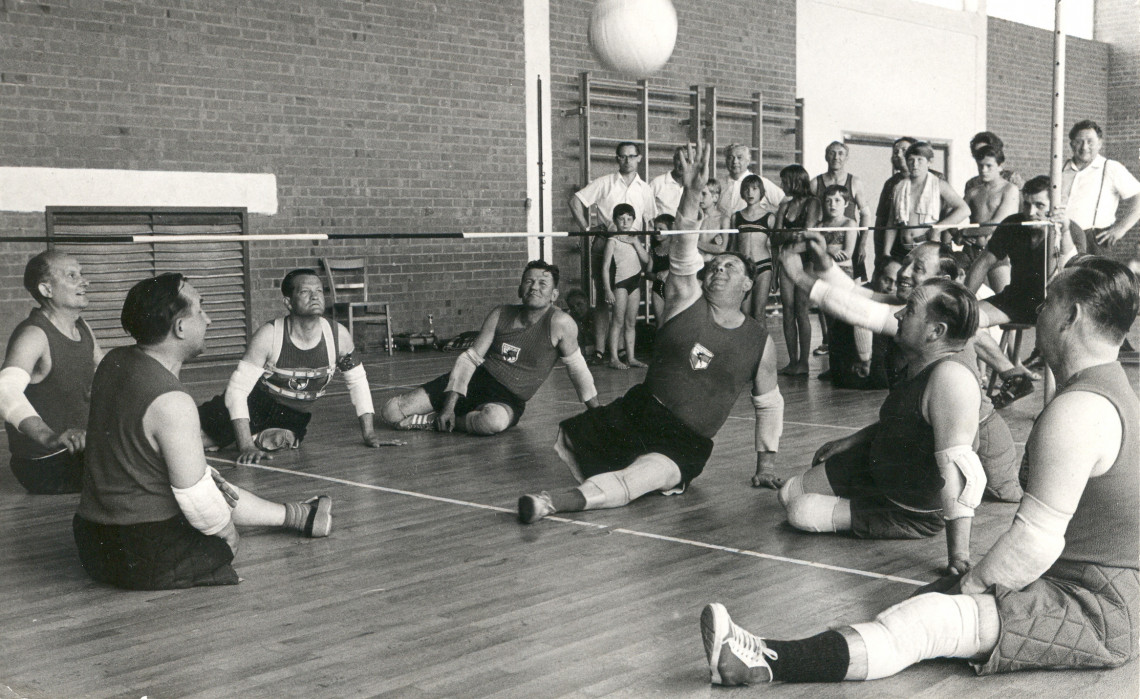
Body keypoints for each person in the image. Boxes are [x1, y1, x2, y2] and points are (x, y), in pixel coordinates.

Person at [699, 256, 1139, 687]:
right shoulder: (1109, 390)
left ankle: (765, 660)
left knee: (927, 621)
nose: (1038, 311)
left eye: (1047, 303)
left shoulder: (1079, 411)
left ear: (1072, 316)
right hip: (1092, 586)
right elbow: (871, 306)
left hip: (1099, 608)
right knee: (926, 603)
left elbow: (1035, 543)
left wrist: (969, 585)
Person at [517, 141, 786, 525]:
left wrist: (765, 463)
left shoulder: (760, 342)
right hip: (639, 413)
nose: (717, 270)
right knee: (578, 447)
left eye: (729, 267)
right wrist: (691, 198)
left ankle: (554, 502)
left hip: (685, 443)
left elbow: (770, 403)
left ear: (748, 285)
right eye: (714, 266)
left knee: (645, 476)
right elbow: (682, 249)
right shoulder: (684, 298)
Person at [73, 273, 333, 591]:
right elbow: (197, 499)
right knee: (209, 507)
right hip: (144, 553)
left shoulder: (114, 361)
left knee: (211, 483)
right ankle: (296, 516)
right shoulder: (172, 402)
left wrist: (203, 477)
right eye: (200, 310)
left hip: (92, 544)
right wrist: (227, 536)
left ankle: (300, 515)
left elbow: (139, 451)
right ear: (180, 328)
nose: (208, 320)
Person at [783, 236, 1024, 501]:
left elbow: (861, 311)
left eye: (918, 268)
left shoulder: (927, 321)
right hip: (931, 437)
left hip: (986, 449)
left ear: (941, 281)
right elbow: (858, 294)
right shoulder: (913, 310)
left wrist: (797, 275)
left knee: (1000, 498)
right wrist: (824, 263)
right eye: (906, 262)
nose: (904, 272)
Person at [777, 278, 985, 573]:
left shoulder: (951, 378)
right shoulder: (917, 357)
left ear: (936, 332)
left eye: (910, 310)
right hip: (880, 468)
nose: (899, 315)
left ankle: (880, 516)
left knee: (801, 512)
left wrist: (959, 557)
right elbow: (903, 420)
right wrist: (853, 440)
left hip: (907, 509)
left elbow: (959, 469)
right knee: (787, 493)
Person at [197, 269, 393, 465]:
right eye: (305, 291)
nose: (315, 296)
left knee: (281, 440)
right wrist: (246, 445)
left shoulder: (338, 336)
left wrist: (369, 434)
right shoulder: (268, 336)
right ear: (288, 302)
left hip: (291, 417)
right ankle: (237, 437)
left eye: (319, 291)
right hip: (254, 403)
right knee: (192, 438)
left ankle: (246, 437)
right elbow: (237, 391)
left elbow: (357, 382)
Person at [382, 260, 601, 434]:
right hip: (476, 380)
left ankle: (433, 421)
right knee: (391, 412)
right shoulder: (500, 314)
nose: (534, 287)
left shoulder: (561, 324)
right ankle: (445, 414)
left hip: (508, 399)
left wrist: (598, 414)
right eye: (528, 282)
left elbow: (578, 371)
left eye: (542, 284)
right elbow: (469, 360)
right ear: (519, 289)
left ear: (554, 295)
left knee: (492, 422)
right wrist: (448, 405)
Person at [0, 252, 104, 494]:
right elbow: (4, 390)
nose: (84, 282)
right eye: (71, 275)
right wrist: (49, 437)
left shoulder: (81, 326)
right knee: (147, 472)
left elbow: (108, 372)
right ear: (47, 290)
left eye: (82, 274)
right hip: (46, 464)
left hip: (79, 453)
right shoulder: (34, 335)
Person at [966, 176, 1084, 331]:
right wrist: (965, 301)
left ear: (1054, 206)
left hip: (1054, 306)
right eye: (1027, 204)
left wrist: (1064, 231)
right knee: (963, 320)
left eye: (1039, 205)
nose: (1031, 212)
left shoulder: (1072, 232)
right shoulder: (1012, 224)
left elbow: (1078, 279)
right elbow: (983, 263)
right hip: (1016, 301)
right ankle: (1000, 357)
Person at [1060, 120, 1140, 255]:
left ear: (1100, 144)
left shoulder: (1111, 167)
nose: (1084, 147)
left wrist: (1121, 228)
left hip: (1095, 240)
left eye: (1090, 142)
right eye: (1079, 141)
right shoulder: (1060, 170)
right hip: (1063, 236)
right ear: (1071, 144)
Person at [824, 258, 900, 390]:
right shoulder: (865, 296)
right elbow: (861, 327)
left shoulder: (870, 293)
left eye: (897, 283)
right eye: (887, 280)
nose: (891, 288)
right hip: (856, 373)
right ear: (875, 276)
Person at [774, 164, 822, 376]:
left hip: (805, 260)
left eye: (784, 181)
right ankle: (793, 361)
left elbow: (806, 233)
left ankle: (803, 362)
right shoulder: (785, 206)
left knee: (801, 309)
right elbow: (774, 236)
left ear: (795, 181)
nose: (782, 185)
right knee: (787, 309)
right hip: (786, 258)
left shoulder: (813, 203)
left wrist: (788, 234)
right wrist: (789, 235)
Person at [883, 141, 969, 258]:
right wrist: (886, 252)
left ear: (929, 162)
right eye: (911, 160)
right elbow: (891, 222)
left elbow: (964, 210)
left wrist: (938, 229)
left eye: (920, 160)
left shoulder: (938, 184)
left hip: (928, 246)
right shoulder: (898, 187)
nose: (915, 164)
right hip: (902, 249)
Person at [961, 145, 1020, 292]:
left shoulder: (1010, 189)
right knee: (963, 299)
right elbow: (954, 220)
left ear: (1000, 166)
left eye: (989, 166)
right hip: (971, 252)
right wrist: (957, 234)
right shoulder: (973, 192)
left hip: (997, 253)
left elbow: (997, 225)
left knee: (1005, 299)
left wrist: (965, 232)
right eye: (980, 166)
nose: (983, 170)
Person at [811, 142, 873, 278]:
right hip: (824, 238)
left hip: (849, 239)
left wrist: (862, 244)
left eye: (840, 153)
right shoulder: (816, 182)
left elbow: (865, 215)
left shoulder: (855, 182)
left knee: (852, 286)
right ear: (826, 156)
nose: (836, 157)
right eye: (832, 153)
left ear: (846, 158)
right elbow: (810, 215)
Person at [602, 204, 650, 369]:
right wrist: (608, 289)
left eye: (629, 219)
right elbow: (605, 267)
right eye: (621, 219)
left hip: (635, 283)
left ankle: (631, 357)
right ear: (615, 220)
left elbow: (646, 260)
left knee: (631, 323)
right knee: (618, 321)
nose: (625, 222)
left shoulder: (634, 239)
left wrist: (635, 242)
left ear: (633, 221)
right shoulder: (612, 241)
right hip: (620, 284)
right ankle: (614, 358)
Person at [731, 174, 776, 320]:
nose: (750, 193)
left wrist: (775, 275)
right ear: (742, 192)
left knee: (759, 312)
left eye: (754, 189)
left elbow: (775, 249)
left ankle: (763, 343)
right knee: (744, 313)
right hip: (743, 268)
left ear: (761, 191)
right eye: (746, 189)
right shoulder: (736, 217)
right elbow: (732, 246)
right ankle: (748, 343)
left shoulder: (769, 217)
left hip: (763, 266)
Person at [717, 143, 784, 218]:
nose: (735, 161)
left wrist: (778, 222)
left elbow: (785, 201)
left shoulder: (761, 182)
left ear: (748, 161)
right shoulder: (719, 184)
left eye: (739, 157)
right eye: (730, 157)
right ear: (726, 161)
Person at [649, 146, 685, 217]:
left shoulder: (694, 186)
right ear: (673, 160)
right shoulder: (657, 183)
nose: (682, 164)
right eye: (679, 159)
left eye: (686, 160)